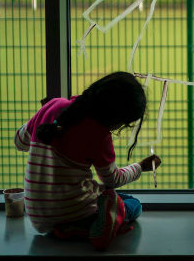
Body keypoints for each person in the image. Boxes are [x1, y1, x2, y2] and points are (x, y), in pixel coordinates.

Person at [14, 71, 161, 250]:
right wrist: (140, 167)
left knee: (109, 199)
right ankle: (93, 222)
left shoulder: (54, 105)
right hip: (74, 209)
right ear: (116, 118)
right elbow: (112, 180)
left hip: (38, 217)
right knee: (133, 205)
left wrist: (41, 114)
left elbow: (20, 143)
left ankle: (73, 228)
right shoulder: (99, 133)